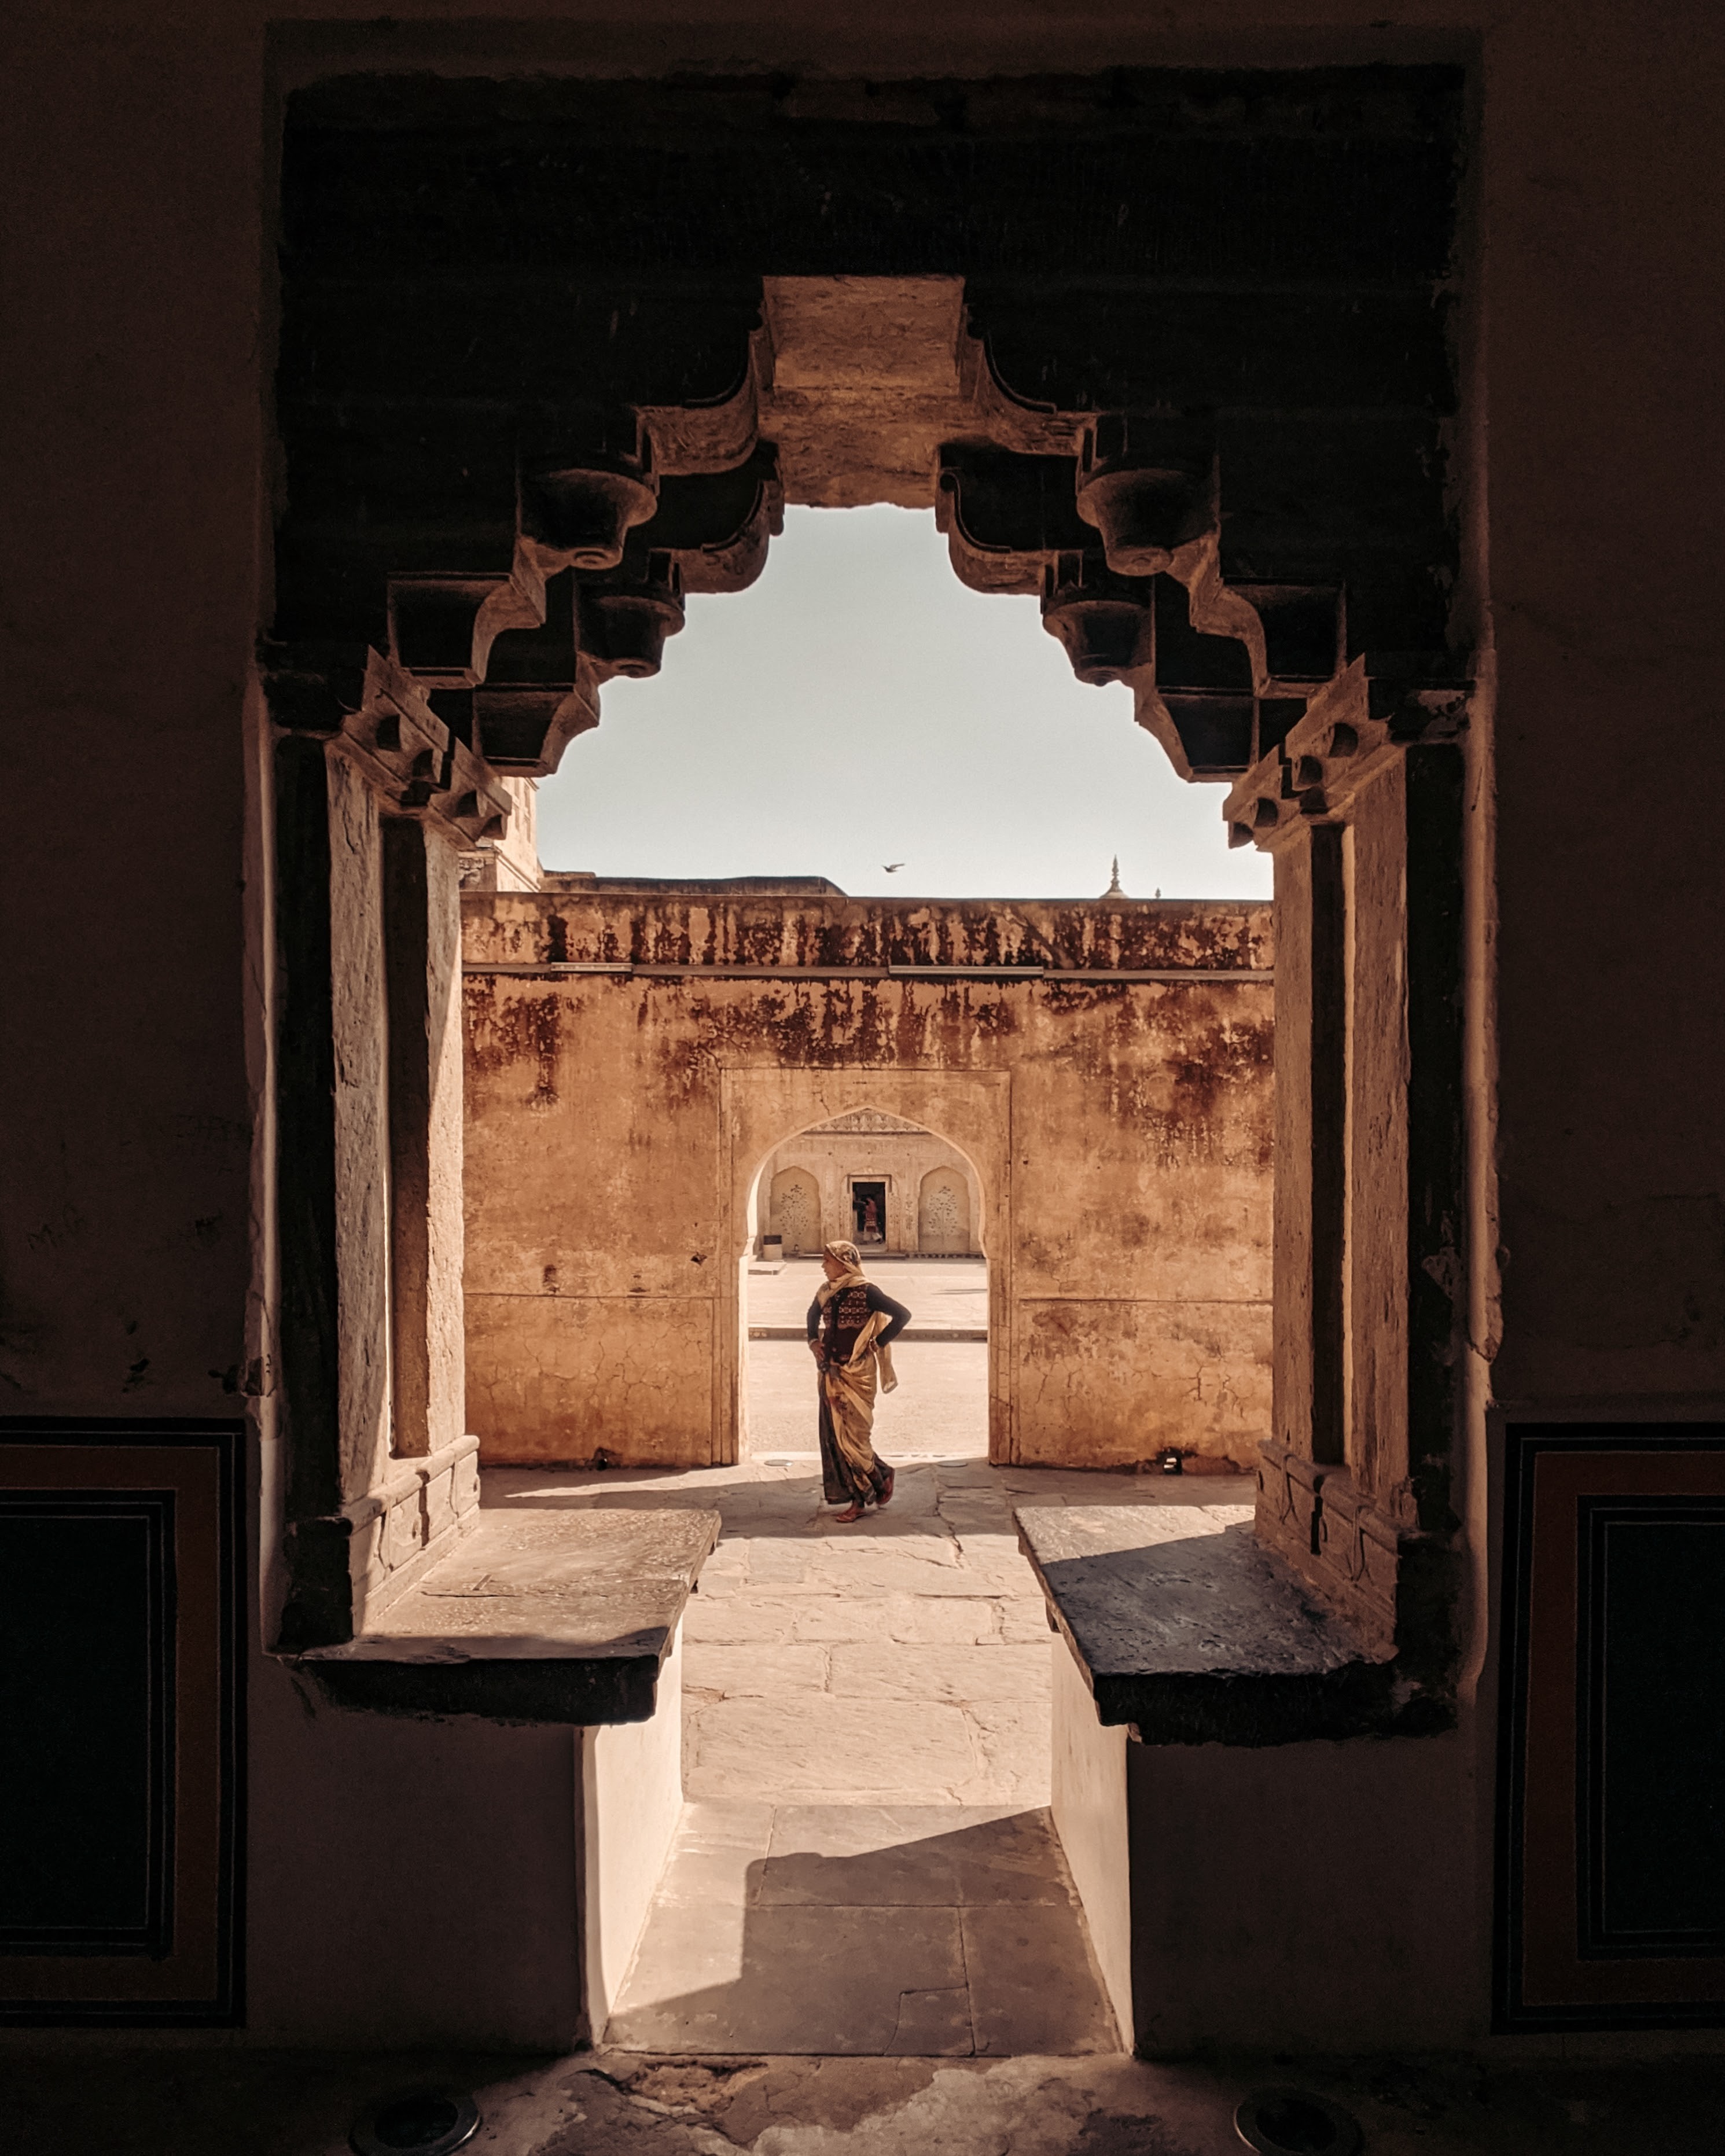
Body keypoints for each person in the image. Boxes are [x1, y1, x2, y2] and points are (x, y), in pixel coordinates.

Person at [806, 1238, 911, 1522]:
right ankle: (878, 1479)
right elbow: (812, 1316)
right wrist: (813, 1341)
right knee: (836, 1435)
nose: (823, 1266)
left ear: (844, 1263)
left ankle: (861, 1500)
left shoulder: (867, 1291)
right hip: (831, 1372)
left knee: (855, 1438)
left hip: (857, 1375)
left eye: (827, 1261)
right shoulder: (827, 1292)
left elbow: (902, 1315)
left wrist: (879, 1341)